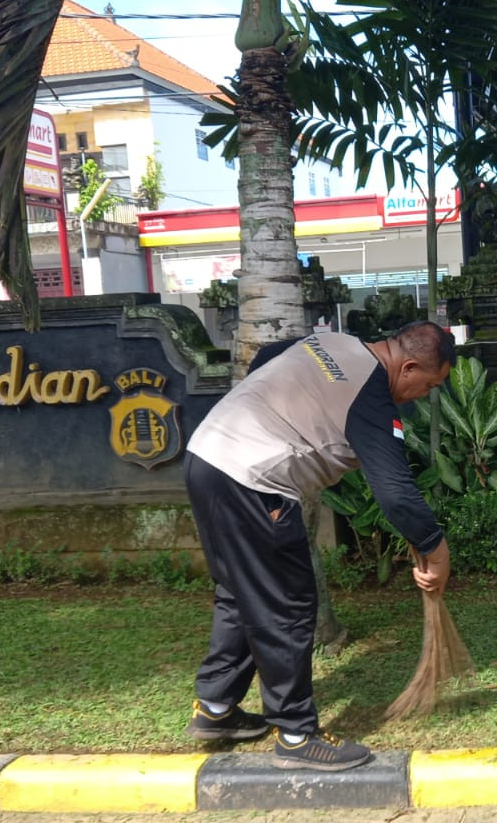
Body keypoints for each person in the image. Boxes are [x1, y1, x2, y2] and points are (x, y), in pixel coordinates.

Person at [181, 320, 454, 771]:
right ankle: (295, 734)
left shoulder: (332, 342)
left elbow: (271, 357)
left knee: (239, 593)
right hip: (253, 483)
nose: (424, 395)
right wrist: (436, 551)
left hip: (206, 457)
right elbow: (396, 492)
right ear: (407, 366)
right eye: (429, 384)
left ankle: (216, 709)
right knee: (287, 605)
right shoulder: (371, 392)